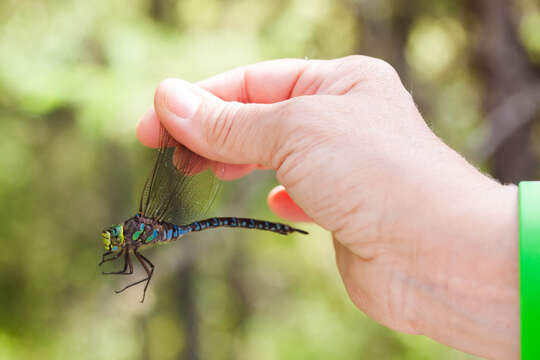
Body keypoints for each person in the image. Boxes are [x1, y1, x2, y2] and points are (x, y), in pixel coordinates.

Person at [136, 56, 519, 360]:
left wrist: (218, 125)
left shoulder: (138, 232)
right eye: (115, 239)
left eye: (117, 237)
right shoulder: (135, 239)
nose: (116, 239)